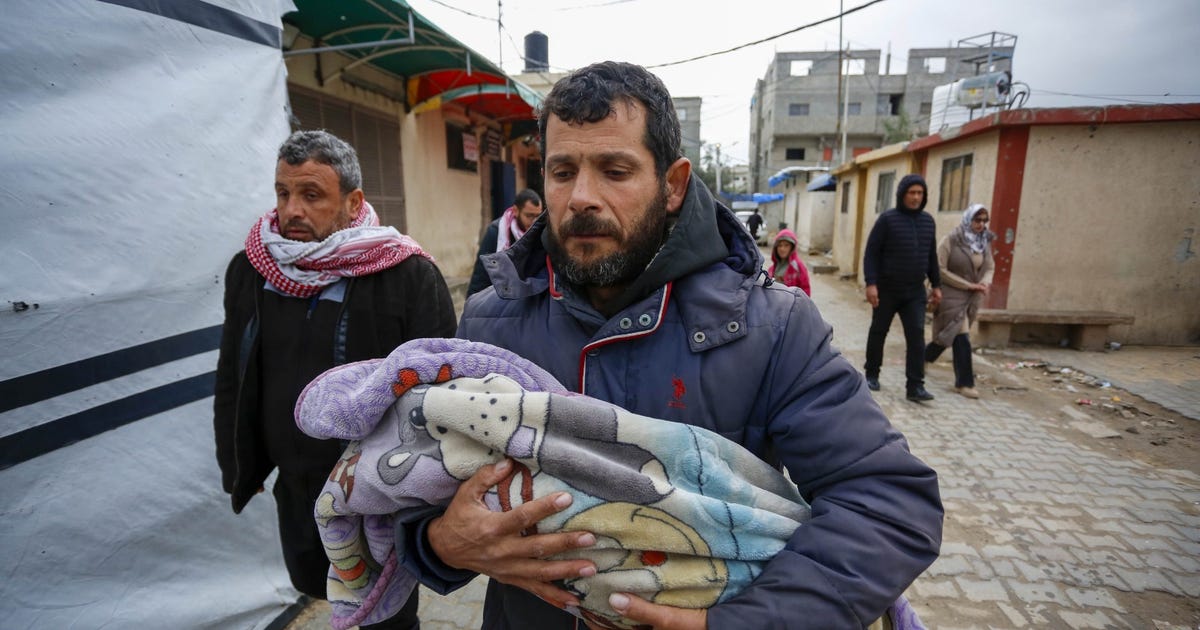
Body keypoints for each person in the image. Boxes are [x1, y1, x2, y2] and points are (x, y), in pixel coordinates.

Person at [399, 61, 942, 630]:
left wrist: (735, 625)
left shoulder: (772, 327)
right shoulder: (489, 323)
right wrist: (439, 542)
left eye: (615, 171)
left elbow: (888, 504)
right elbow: (414, 482)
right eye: (563, 171)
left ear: (674, 185)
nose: (581, 197)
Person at [213, 129, 456, 629]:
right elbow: (234, 373)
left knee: (385, 613)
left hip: (377, 494)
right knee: (317, 586)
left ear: (353, 202)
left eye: (311, 195)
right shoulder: (252, 270)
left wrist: (434, 494)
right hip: (295, 488)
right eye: (283, 193)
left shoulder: (407, 275)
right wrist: (237, 463)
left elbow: (441, 398)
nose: (292, 210)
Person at [862, 174, 942, 402]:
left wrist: (937, 285)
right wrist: (871, 283)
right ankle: (872, 374)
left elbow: (931, 256)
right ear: (902, 195)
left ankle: (915, 386)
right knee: (879, 331)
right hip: (887, 289)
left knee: (916, 336)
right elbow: (871, 253)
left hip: (915, 291)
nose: (916, 197)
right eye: (912, 193)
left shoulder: (928, 222)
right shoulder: (887, 220)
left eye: (920, 193)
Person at [925, 203, 995, 399]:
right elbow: (939, 269)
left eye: (984, 221)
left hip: (972, 297)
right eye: (977, 220)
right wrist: (967, 285)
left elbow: (990, 266)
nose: (981, 224)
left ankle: (922, 357)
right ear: (968, 219)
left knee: (949, 333)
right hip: (950, 294)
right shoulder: (951, 240)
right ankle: (965, 383)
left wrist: (984, 283)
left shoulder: (984, 242)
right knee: (962, 335)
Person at [466, 188, 543, 297]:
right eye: (529, 216)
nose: (534, 221)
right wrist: (473, 302)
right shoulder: (496, 232)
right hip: (498, 297)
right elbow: (481, 275)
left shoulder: (541, 234)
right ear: (516, 211)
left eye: (538, 216)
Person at [767, 228, 812, 296]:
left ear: (792, 247)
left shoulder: (798, 267)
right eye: (780, 245)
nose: (782, 249)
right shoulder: (772, 268)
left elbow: (805, 290)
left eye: (786, 245)